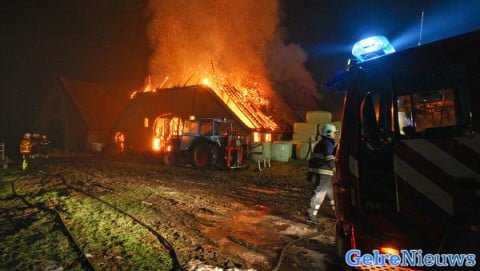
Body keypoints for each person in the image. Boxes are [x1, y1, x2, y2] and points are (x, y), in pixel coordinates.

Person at [307, 124, 337, 223]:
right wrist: (335, 168)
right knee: (320, 193)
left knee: (331, 193)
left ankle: (337, 213)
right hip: (325, 173)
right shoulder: (328, 144)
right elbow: (329, 158)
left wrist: (310, 174)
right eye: (333, 133)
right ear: (328, 133)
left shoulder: (319, 144)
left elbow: (312, 160)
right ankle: (311, 215)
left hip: (322, 172)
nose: (335, 135)